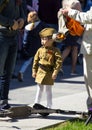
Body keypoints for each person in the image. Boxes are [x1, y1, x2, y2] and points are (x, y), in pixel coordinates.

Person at [61, 4, 92, 108]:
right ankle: (90, 108)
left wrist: (70, 12)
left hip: (90, 48)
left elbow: (89, 17)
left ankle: (91, 109)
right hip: (89, 46)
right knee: (88, 80)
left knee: (90, 80)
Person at [0, 0, 25, 109]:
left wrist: (22, 19)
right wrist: (10, 22)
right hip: (1, 36)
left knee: (8, 73)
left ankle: (4, 101)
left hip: (13, 37)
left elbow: (22, 11)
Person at [32, 28, 62, 108]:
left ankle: (49, 105)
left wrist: (55, 72)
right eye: (41, 39)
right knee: (39, 88)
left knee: (48, 90)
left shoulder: (55, 51)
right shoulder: (40, 50)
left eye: (44, 39)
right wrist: (34, 71)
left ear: (52, 40)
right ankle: (36, 104)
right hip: (40, 71)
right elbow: (35, 60)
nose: (42, 41)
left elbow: (58, 62)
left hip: (49, 72)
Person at [18, 11, 47, 81]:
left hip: (30, 47)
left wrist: (24, 47)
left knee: (27, 61)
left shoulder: (27, 27)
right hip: (40, 46)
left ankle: (21, 71)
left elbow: (25, 39)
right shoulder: (42, 25)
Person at [57, 0, 83, 74]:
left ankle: (58, 66)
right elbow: (81, 16)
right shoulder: (76, 2)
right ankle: (73, 70)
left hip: (66, 26)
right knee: (75, 48)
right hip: (75, 28)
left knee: (68, 48)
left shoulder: (64, 1)